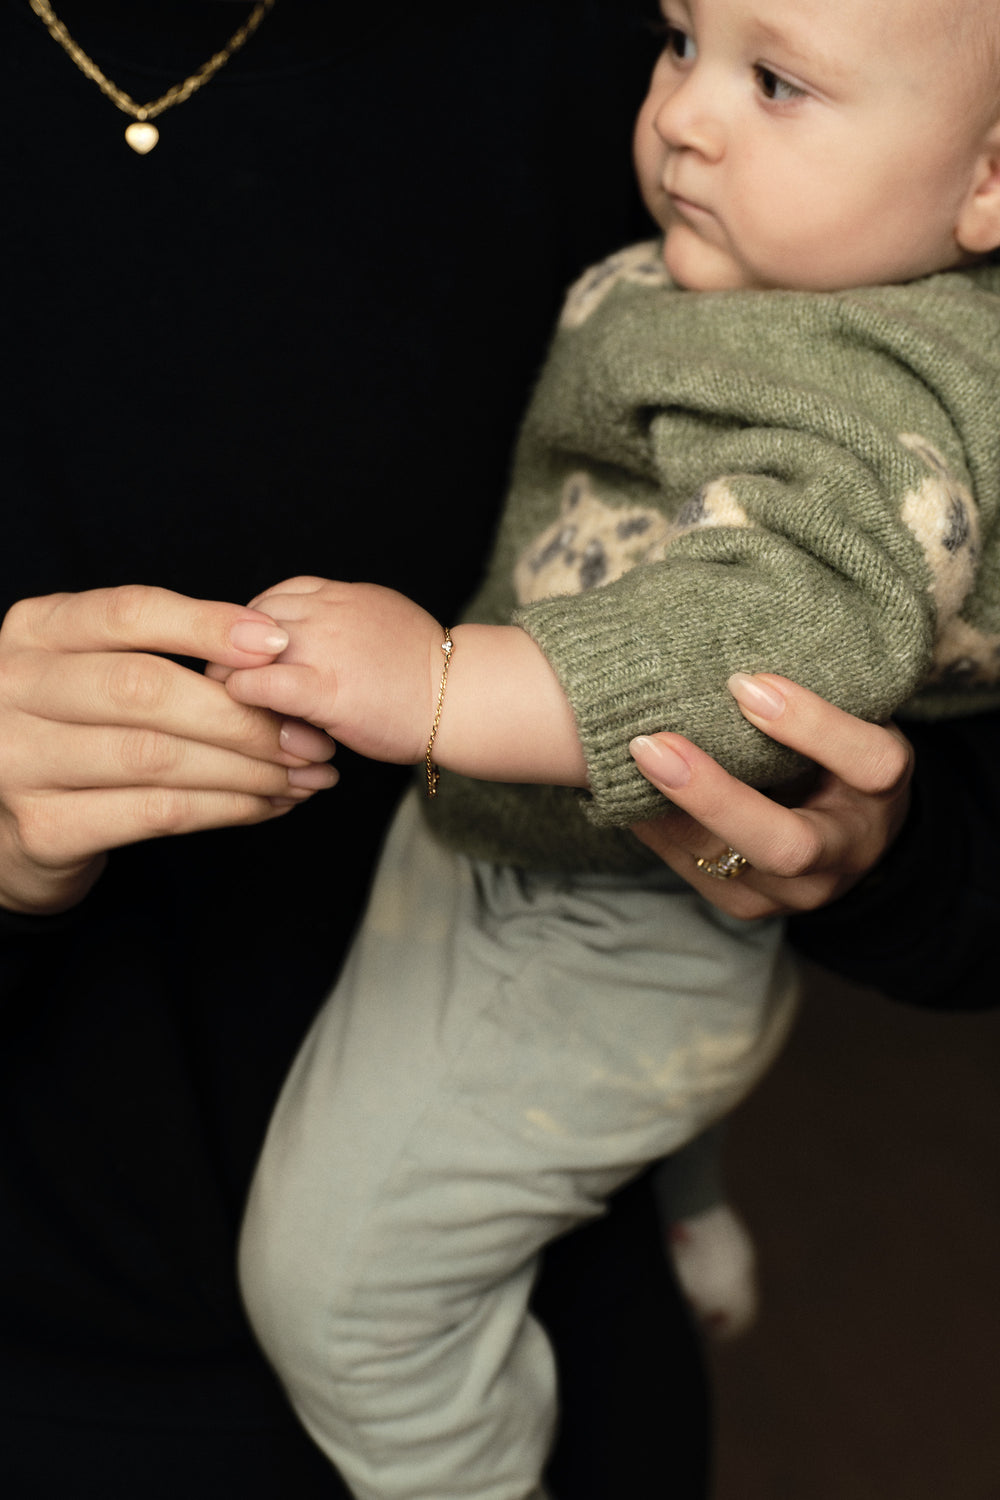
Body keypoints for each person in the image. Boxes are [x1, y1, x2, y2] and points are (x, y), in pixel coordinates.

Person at [226, 0, 1000, 1495]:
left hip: (628, 912)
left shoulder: (879, 398)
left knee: (336, 1293)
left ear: (984, 185)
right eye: (680, 40)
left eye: (776, 82)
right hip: (531, 827)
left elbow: (765, 647)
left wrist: (445, 678)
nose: (685, 115)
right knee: (424, 1059)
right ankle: (681, 1202)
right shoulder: (794, 268)